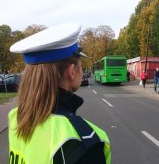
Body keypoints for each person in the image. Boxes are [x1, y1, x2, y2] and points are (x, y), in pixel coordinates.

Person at [8, 23, 111, 164]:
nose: (81, 72)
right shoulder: (82, 141)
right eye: (80, 66)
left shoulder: (18, 116)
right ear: (72, 71)